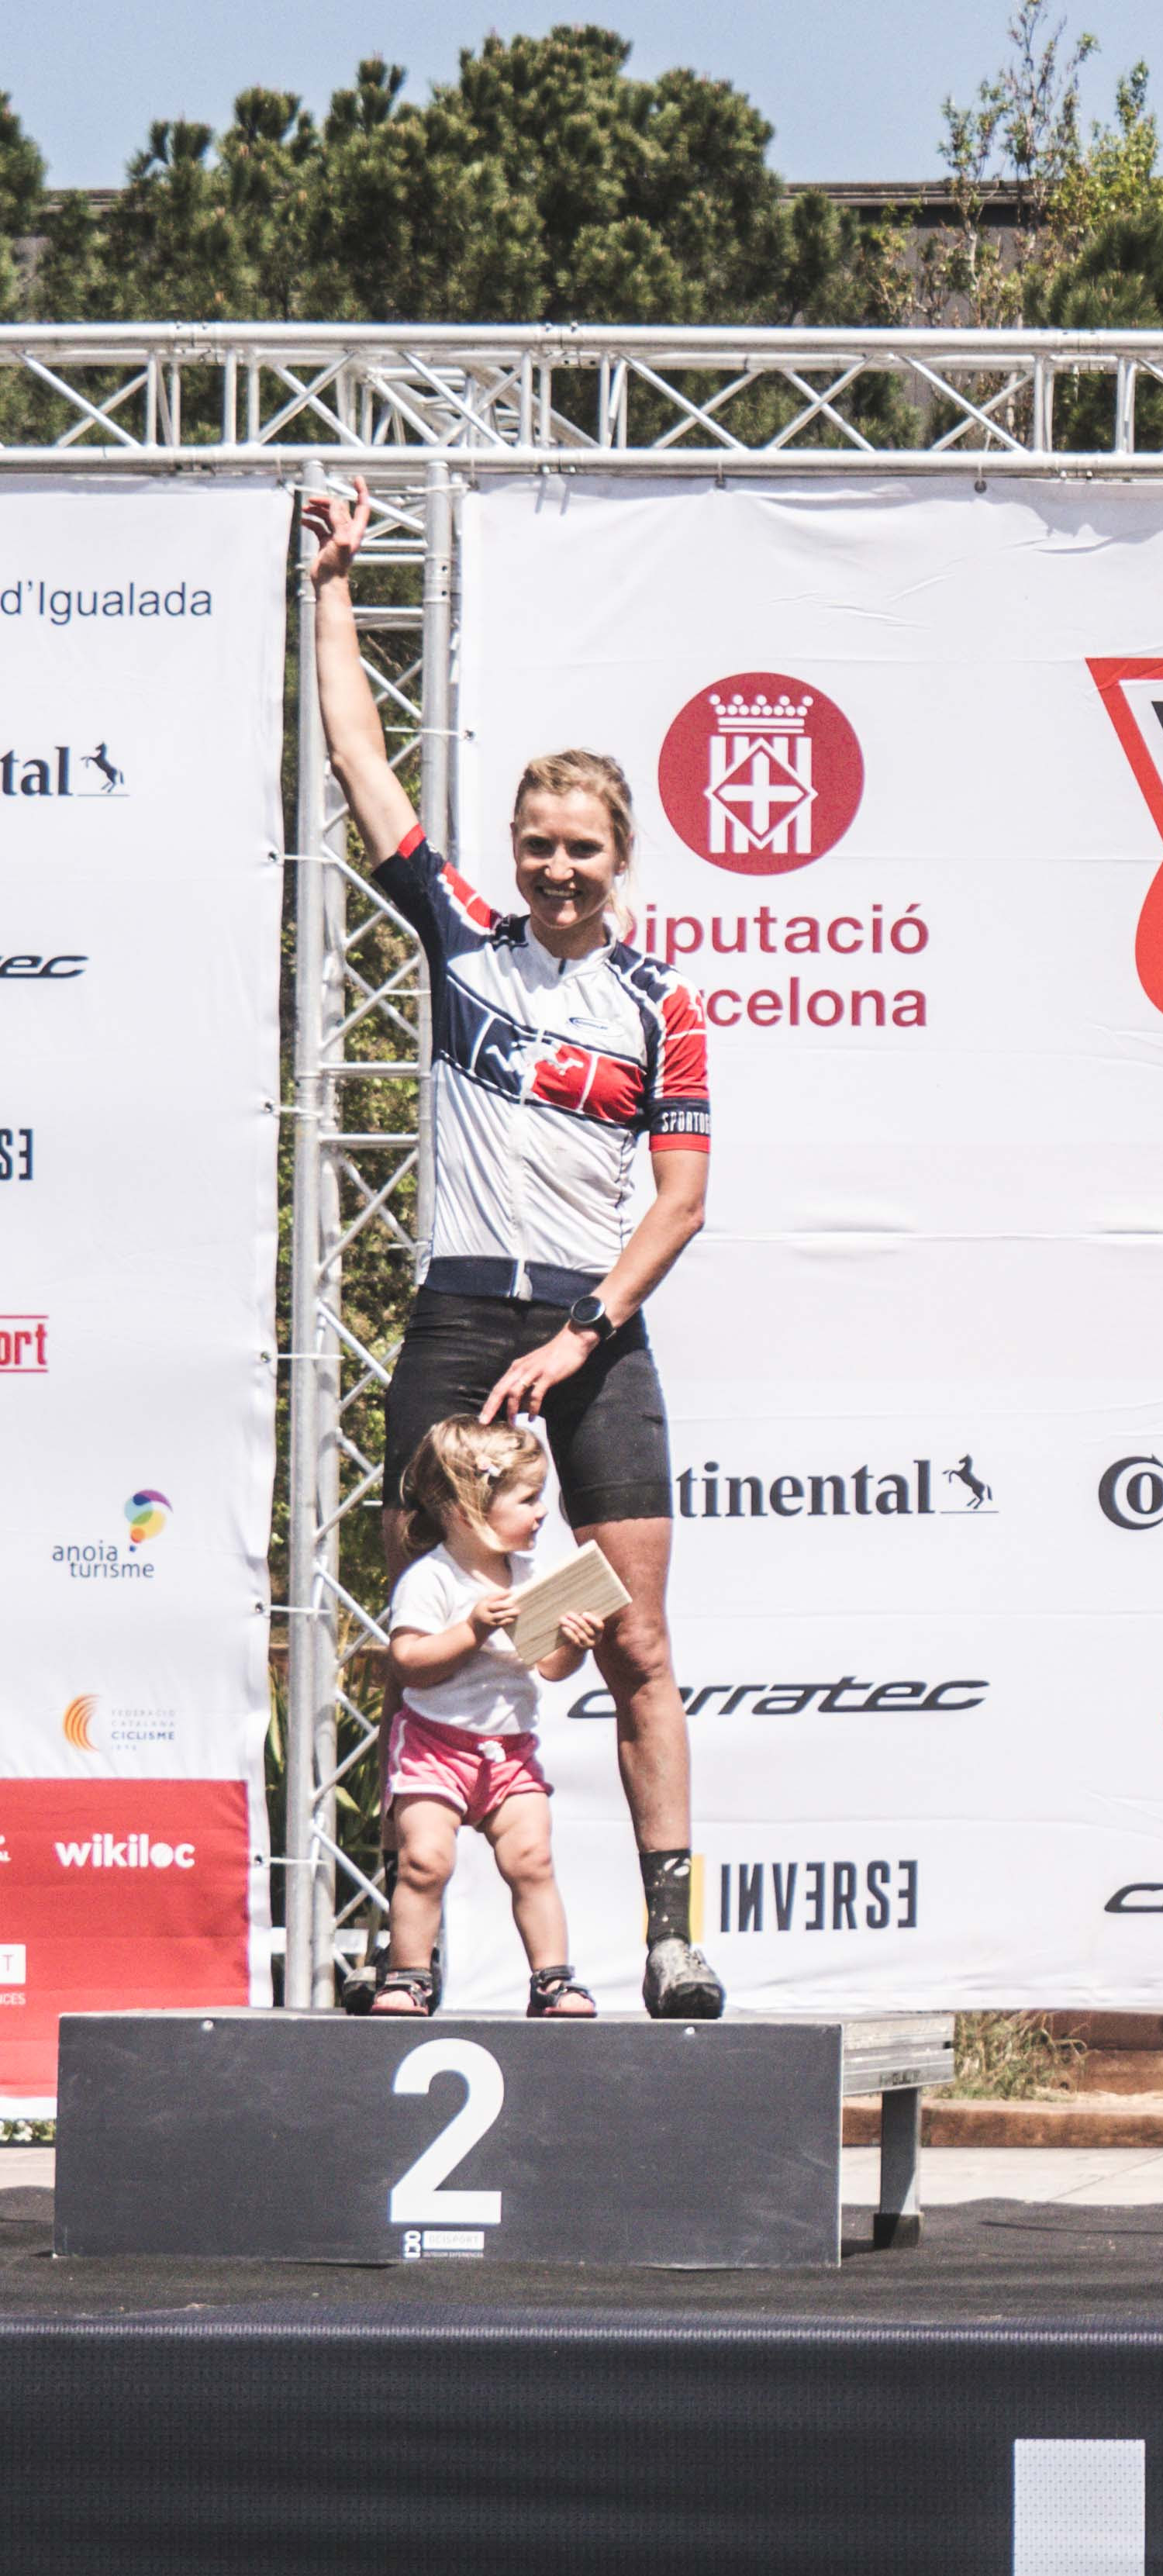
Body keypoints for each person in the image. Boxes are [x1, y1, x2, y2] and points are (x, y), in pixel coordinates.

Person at [301, 477, 726, 2018]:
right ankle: (400, 1944)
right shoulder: (464, 944)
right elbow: (362, 759)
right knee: (424, 1619)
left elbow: (680, 1201)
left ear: (624, 856)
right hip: (459, 1321)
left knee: (635, 1639)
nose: (557, 868)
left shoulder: (661, 1004)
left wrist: (581, 1334)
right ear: (514, 849)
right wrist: (333, 585)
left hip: (590, 1337)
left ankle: (670, 1936)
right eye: (538, 844)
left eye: (582, 848)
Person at [373, 1420, 607, 2018]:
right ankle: (407, 1976)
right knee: (424, 1861)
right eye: (528, 1499)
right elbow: (408, 1664)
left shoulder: (531, 1578)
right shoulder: (431, 1577)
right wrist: (472, 1629)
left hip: (510, 1754)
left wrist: (574, 1643)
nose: (541, 1513)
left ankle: (553, 1980)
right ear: (468, 1509)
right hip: (434, 1748)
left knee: (532, 1860)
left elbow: (550, 1667)